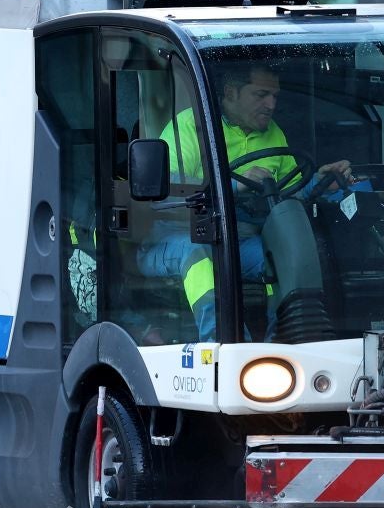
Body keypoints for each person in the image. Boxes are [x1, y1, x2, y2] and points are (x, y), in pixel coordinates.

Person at [148, 64, 351, 342]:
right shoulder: (190, 125)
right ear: (231, 93)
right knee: (198, 256)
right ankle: (225, 344)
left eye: (275, 96)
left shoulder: (274, 133)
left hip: (239, 241)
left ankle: (282, 345)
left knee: (284, 253)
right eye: (261, 95)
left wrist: (319, 183)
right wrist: (232, 184)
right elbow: (164, 194)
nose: (271, 105)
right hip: (179, 237)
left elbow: (285, 198)